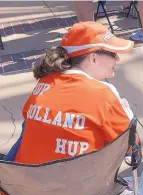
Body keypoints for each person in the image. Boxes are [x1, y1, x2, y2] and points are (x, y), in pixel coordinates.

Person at [4, 21, 135, 164]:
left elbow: (29, 118)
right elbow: (129, 144)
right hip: (82, 183)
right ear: (94, 58)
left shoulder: (44, 83)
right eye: (113, 53)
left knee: (27, 126)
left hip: (25, 182)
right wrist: (126, 113)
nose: (117, 58)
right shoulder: (104, 92)